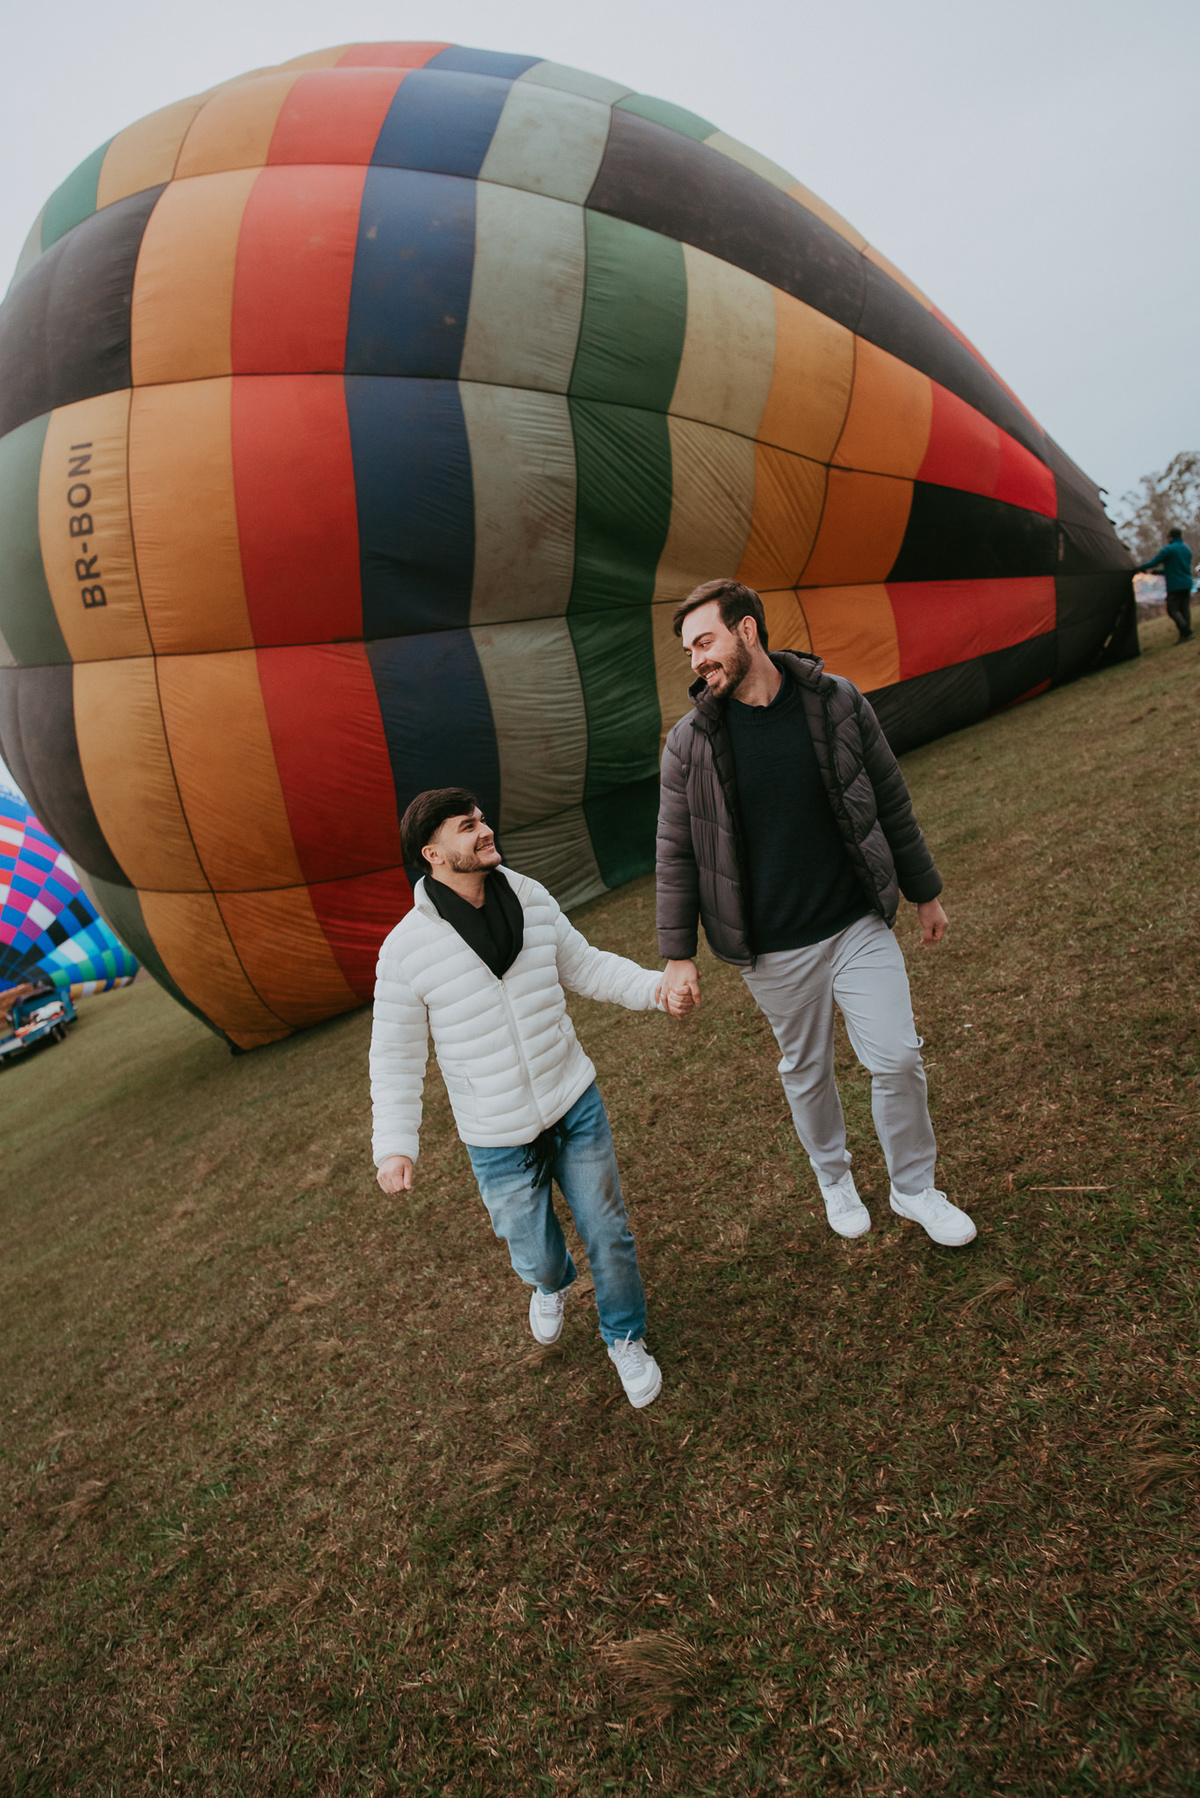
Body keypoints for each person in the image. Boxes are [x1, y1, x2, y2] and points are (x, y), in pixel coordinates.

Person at [655, 578, 976, 1248]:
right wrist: (677, 952)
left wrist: (925, 891)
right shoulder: (689, 743)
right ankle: (835, 1177)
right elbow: (677, 851)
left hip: (855, 920)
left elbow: (888, 798)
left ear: (747, 630)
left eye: (705, 641)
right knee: (807, 1072)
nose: (695, 660)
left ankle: (915, 1187)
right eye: (688, 650)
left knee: (895, 1061)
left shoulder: (836, 702)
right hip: (771, 948)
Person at [371, 787, 667, 1408]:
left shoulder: (529, 897)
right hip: (496, 1135)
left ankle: (625, 1339)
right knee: (535, 1251)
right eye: (465, 826)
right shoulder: (404, 950)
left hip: (572, 1101)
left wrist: (656, 989)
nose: (483, 830)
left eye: (481, 819)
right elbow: (396, 1056)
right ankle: (550, 1283)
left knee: (608, 1232)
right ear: (432, 853)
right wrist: (395, 1147)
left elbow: (586, 967)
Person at [1137, 529, 1194, 643]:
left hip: (1175, 586)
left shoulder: (1169, 549)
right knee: (1184, 609)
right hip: (1187, 583)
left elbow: (1154, 562)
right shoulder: (1187, 549)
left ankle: (1186, 630)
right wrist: (1158, 572)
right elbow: (1177, 569)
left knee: (1172, 610)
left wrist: (1140, 567)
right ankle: (1185, 636)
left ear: (1170, 537)